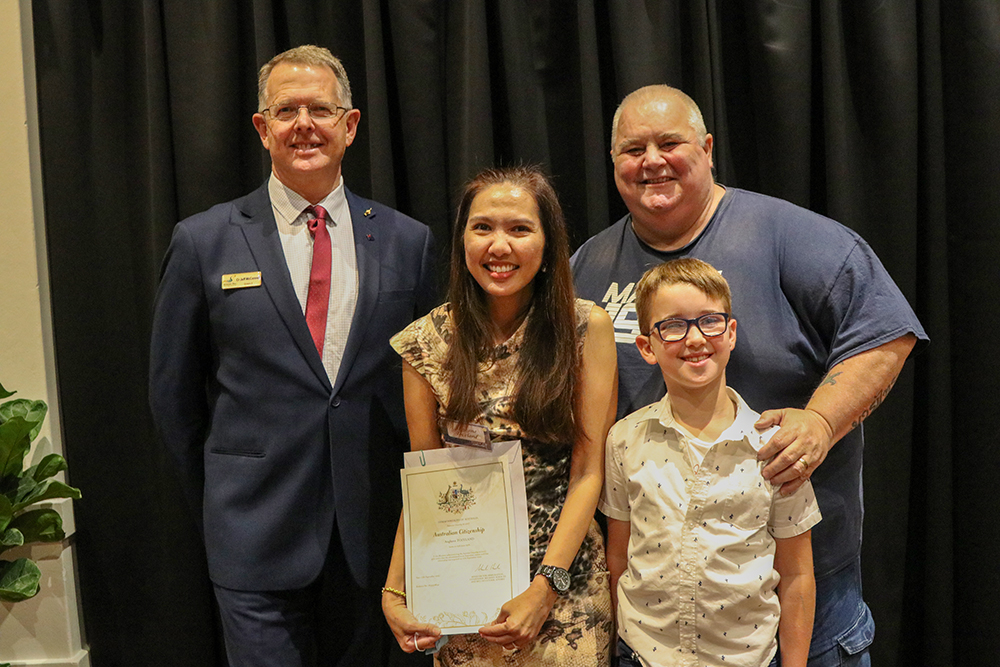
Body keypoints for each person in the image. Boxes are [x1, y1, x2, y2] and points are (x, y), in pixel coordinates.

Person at [571, 85, 928, 666]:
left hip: (795, 588)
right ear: (613, 163)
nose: (652, 160)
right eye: (633, 149)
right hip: (655, 608)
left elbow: (886, 331)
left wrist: (820, 421)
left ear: (708, 148)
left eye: (670, 142)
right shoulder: (587, 264)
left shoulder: (792, 237)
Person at [148, 45, 436, 666]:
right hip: (253, 532)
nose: (304, 124)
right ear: (262, 128)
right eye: (286, 110)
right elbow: (174, 400)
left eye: (321, 109)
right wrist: (226, 495)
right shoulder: (202, 242)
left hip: (374, 536)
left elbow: (428, 387)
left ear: (350, 125)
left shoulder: (408, 242)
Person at [381, 166, 618, 665]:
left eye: (519, 229)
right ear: (462, 239)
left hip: (564, 586)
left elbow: (589, 471)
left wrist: (545, 587)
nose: (499, 246)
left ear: (548, 243)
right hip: (464, 588)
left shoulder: (584, 326)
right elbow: (425, 484)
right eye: (482, 227)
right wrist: (395, 590)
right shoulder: (423, 341)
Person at [603, 257, 821, 667]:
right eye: (673, 325)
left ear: (732, 333)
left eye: (710, 321)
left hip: (747, 658)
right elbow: (619, 555)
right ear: (647, 346)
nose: (695, 338)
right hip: (644, 656)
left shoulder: (775, 446)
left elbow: (796, 575)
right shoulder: (624, 440)